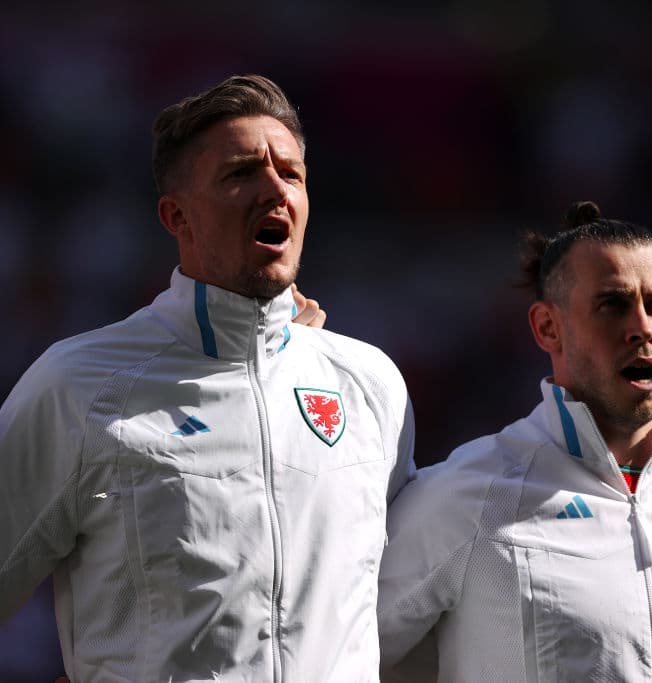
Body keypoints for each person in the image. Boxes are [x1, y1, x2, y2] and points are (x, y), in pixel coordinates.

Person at [0, 74, 415, 681]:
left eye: (292, 174)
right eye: (240, 173)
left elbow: (402, 609)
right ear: (178, 217)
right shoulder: (80, 386)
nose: (275, 189)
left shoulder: (368, 383)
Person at [377, 201, 652, 681]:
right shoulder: (467, 496)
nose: (643, 328)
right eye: (613, 304)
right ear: (547, 327)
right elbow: (336, 652)